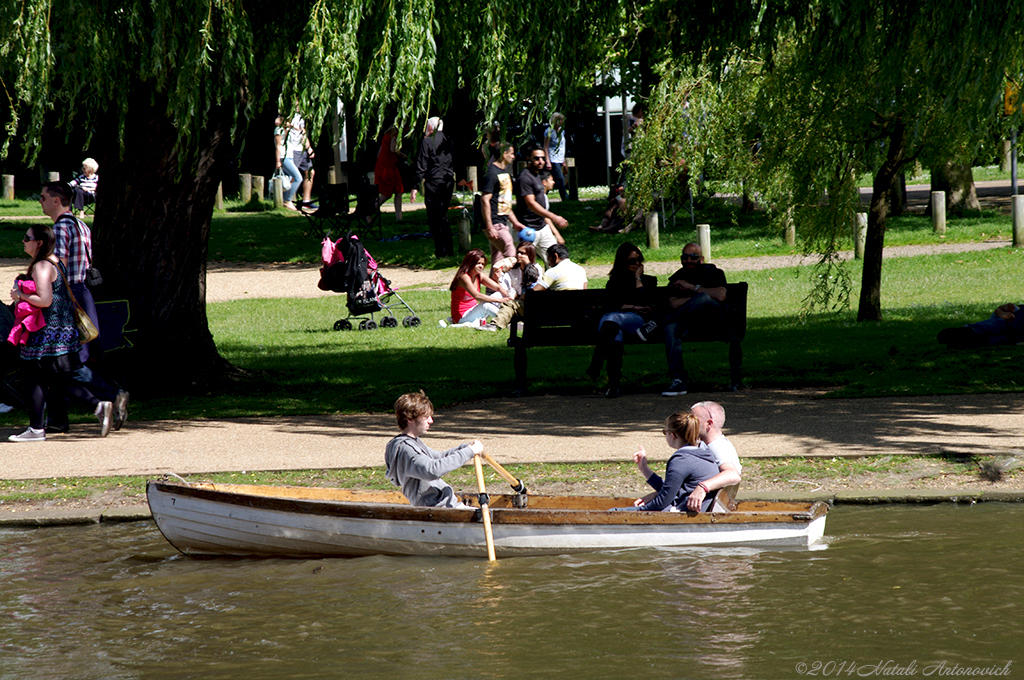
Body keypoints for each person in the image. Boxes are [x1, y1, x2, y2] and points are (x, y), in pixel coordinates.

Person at [8, 224, 113, 442]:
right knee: (53, 378)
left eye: (27, 238)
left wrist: (20, 295)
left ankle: (38, 429)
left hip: (48, 333)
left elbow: (45, 300)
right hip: (60, 330)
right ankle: (96, 406)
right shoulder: (55, 260)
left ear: (39, 242)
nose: (23, 242)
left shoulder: (42, 266)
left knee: (36, 376)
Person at [40, 181, 129, 431]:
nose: (40, 201)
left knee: (62, 361)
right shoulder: (81, 225)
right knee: (59, 361)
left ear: (56, 200)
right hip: (83, 294)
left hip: (68, 298)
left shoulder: (60, 229)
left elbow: (59, 268)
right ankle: (58, 419)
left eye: (43, 197)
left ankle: (110, 394)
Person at [384, 390, 484, 508]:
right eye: (426, 417)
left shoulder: (413, 442)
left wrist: (466, 448)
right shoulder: (406, 449)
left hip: (443, 506)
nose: (431, 421)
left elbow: (439, 457)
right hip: (436, 509)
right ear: (409, 419)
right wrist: (469, 452)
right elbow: (432, 470)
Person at [586, 242, 658, 398]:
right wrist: (633, 307)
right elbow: (609, 304)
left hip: (638, 324)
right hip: (613, 324)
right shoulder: (614, 282)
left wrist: (638, 279)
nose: (637, 263)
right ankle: (614, 385)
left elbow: (645, 301)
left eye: (639, 260)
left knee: (611, 319)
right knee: (613, 331)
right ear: (622, 263)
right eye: (632, 261)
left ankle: (597, 362)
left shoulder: (649, 281)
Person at [658, 242, 728, 396]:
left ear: (701, 259)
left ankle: (657, 322)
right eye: (685, 257)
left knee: (703, 298)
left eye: (693, 257)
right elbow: (673, 302)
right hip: (688, 322)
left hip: (712, 320)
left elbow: (721, 296)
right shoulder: (677, 278)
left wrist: (693, 289)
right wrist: (693, 301)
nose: (689, 260)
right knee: (670, 329)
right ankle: (678, 380)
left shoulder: (713, 273)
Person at [619, 409, 720, 512]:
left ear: (673, 435)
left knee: (614, 511)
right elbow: (670, 490)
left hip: (684, 516)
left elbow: (662, 502)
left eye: (665, 432)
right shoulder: (702, 451)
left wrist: (623, 511)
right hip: (696, 511)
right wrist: (643, 467)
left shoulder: (681, 460)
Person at [685, 401, 742, 511]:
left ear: (709, 424)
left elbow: (733, 475)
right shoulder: (715, 445)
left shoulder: (716, 446)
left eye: (694, 420)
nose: (689, 423)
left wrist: (703, 487)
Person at [480, 143, 525, 278]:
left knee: (497, 258)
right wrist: (489, 227)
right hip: (495, 223)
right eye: (511, 153)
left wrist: (515, 222)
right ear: (503, 154)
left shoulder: (504, 173)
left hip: (502, 221)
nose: (513, 156)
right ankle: (513, 283)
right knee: (510, 251)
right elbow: (484, 200)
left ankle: (492, 289)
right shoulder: (491, 173)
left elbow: (505, 202)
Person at [413, 116, 456, 257]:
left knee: (434, 217)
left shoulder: (427, 142)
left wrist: (415, 186)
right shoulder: (448, 140)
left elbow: (422, 164)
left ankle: (440, 251)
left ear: (430, 127)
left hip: (434, 183)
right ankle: (449, 249)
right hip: (448, 182)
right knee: (443, 215)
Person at [515, 144, 568, 253]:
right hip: (527, 228)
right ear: (528, 159)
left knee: (556, 257)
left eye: (543, 158)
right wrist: (554, 217)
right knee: (522, 262)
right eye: (536, 158)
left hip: (542, 227)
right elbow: (531, 203)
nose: (540, 161)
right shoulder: (525, 177)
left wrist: (556, 233)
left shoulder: (538, 176)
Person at [448, 249, 511, 326]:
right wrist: (499, 300)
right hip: (461, 317)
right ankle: (509, 320)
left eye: (482, 264)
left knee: (498, 294)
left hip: (473, 311)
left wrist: (510, 298)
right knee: (486, 306)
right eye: (478, 263)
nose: (481, 266)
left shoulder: (479, 275)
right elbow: (477, 295)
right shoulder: (463, 276)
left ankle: (511, 316)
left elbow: (497, 288)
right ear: (470, 263)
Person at [937, 304, 1024, 348]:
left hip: (1012, 327)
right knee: (999, 328)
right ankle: (967, 334)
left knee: (1003, 333)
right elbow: (1002, 309)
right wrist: (1002, 312)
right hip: (1007, 323)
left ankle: (967, 336)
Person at [530, 170, 566, 265]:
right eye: (551, 180)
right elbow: (545, 217)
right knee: (525, 259)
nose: (553, 182)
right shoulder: (537, 197)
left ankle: (553, 277)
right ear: (544, 182)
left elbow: (545, 217)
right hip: (531, 230)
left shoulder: (544, 196)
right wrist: (557, 233)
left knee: (554, 256)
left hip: (542, 229)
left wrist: (557, 234)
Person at [373, 125, 407, 222]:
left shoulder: (386, 135)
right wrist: (404, 155)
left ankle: (399, 217)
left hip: (389, 165)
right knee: (387, 193)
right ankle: (369, 211)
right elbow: (393, 149)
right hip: (387, 166)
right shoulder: (394, 135)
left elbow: (380, 151)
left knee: (398, 191)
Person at [288, 112, 317, 211]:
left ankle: (306, 201)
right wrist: (292, 125)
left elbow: (303, 132)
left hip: (302, 149)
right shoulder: (287, 112)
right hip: (292, 149)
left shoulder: (300, 116)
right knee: (292, 175)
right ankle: (288, 201)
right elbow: (279, 122)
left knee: (310, 172)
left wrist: (308, 147)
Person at [274, 114, 302, 211]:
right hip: (283, 157)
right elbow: (278, 146)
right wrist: (278, 161)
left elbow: (300, 129)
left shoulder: (286, 130)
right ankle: (288, 200)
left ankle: (285, 201)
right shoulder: (278, 131)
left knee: (289, 180)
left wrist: (292, 126)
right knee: (298, 177)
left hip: (289, 155)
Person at [543, 113, 569, 201]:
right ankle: (565, 197)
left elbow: (562, 146)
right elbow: (545, 147)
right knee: (560, 178)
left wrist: (564, 159)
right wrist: (548, 161)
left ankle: (543, 195)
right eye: (560, 120)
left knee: (551, 178)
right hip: (553, 158)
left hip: (560, 158)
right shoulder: (549, 131)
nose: (562, 122)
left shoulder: (562, 131)